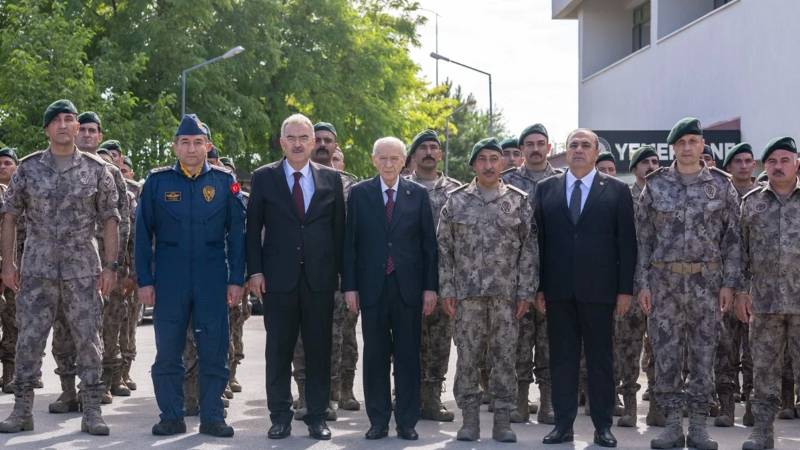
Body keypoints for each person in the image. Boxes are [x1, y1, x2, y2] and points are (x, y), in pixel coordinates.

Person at [0, 99, 120, 435]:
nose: (65, 125)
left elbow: (111, 219)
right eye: (58, 120)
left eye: (70, 119)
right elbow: (9, 217)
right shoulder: (28, 168)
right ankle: (22, 411)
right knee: (29, 340)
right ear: (48, 128)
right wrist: (7, 263)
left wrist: (111, 266)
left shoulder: (97, 170)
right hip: (36, 270)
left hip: (83, 270)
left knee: (89, 340)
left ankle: (92, 411)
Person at [135, 114, 245, 437]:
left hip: (212, 277)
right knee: (168, 351)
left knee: (214, 349)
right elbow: (143, 236)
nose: (192, 148)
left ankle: (213, 416)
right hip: (170, 279)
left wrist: (236, 279)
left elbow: (237, 236)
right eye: (185, 142)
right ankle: (171, 415)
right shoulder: (157, 183)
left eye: (198, 142)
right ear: (175, 146)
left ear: (208, 146)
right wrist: (145, 281)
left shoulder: (225, 183)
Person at [637, 117, 742, 450]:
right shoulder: (654, 185)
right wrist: (643, 283)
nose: (687, 148)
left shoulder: (722, 186)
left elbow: (733, 240)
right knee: (665, 353)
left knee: (703, 354)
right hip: (664, 282)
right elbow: (643, 239)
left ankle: (698, 426)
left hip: (707, 283)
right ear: (673, 147)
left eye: (693, 141)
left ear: (701, 145)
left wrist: (729, 284)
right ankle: (670, 425)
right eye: (681, 143)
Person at [534, 128, 636, 448]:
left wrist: (624, 290)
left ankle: (603, 426)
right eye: (573, 145)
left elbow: (627, 244)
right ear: (565, 152)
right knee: (562, 360)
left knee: (600, 361)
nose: (578, 150)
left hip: (600, 291)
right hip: (558, 290)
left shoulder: (618, 190)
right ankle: (562, 426)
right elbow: (538, 243)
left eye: (585, 145)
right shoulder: (545, 188)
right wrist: (538, 287)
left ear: (596, 153)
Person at [246, 113, 345, 441]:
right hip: (278, 280)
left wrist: (343, 278)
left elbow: (339, 232)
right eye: (292, 137)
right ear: (282, 142)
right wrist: (255, 271)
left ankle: (317, 416)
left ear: (314, 142)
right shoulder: (264, 178)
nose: (299, 143)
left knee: (319, 351)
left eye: (305, 137)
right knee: (278, 351)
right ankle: (280, 418)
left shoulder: (332, 180)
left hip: (320, 280)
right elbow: (252, 230)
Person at [438, 137, 537, 443]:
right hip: (467, 297)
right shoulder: (455, 201)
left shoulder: (518, 201)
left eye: (495, 158)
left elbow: (529, 251)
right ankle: (469, 421)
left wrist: (526, 293)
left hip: (506, 297)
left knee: (505, 357)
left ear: (503, 162)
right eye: (482, 159)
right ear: (473, 165)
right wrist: (447, 289)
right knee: (467, 357)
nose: (489, 164)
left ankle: (503, 421)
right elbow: (444, 249)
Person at [342, 136, 437, 441]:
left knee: (409, 356)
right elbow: (350, 245)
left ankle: (407, 421)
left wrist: (429, 288)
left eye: (394, 158)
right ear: (373, 160)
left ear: (403, 161)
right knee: (375, 357)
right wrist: (350, 287)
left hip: (408, 287)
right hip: (372, 288)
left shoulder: (418, 194)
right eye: (382, 158)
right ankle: (378, 420)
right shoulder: (359, 194)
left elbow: (428, 247)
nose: (387, 163)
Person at [292, 121, 360, 421]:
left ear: (335, 146)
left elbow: (358, 236)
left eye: (327, 140)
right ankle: (305, 397)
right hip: (296, 275)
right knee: (300, 341)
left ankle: (332, 396)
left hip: (337, 278)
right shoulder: (290, 178)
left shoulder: (352, 187)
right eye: (316, 139)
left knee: (335, 339)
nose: (321, 144)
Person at [736, 136, 800, 450]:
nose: (777, 166)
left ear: (797, 163)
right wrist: (739, 293)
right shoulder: (752, 202)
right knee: (763, 370)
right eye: (772, 161)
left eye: (784, 160)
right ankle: (763, 432)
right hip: (764, 303)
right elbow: (740, 253)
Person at [502, 123, 561, 425]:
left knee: (550, 341)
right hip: (513, 277)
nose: (536, 148)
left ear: (549, 147)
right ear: (521, 149)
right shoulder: (506, 182)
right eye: (530, 144)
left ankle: (548, 404)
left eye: (541, 143)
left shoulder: (564, 181)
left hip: (554, 275)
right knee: (519, 342)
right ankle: (520, 402)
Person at [405, 129, 461, 422]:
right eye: (422, 147)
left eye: (433, 147)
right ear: (413, 156)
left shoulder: (456, 190)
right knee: (404, 338)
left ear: (440, 154)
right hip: (406, 276)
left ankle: (431, 399)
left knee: (440, 340)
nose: (429, 151)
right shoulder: (400, 187)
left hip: (444, 277)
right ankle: (405, 395)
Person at [615, 145, 660, 429]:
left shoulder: (667, 195)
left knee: (660, 348)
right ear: (634, 169)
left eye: (656, 161)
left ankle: (657, 405)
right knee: (628, 348)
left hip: (661, 286)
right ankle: (630, 408)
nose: (651, 166)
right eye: (645, 162)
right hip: (630, 286)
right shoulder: (622, 199)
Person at [715, 142, 757, 428]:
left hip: (759, 288)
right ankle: (727, 407)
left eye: (748, 161)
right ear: (729, 167)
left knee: (755, 351)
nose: (743, 165)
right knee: (725, 349)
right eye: (737, 161)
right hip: (725, 283)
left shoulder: (762, 196)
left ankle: (753, 405)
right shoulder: (719, 195)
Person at [0, 147, 19, 393]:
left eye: (7, 163)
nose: (2, 167)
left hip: (15, 269)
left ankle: (11, 375)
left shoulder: (21, 193)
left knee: (14, 323)